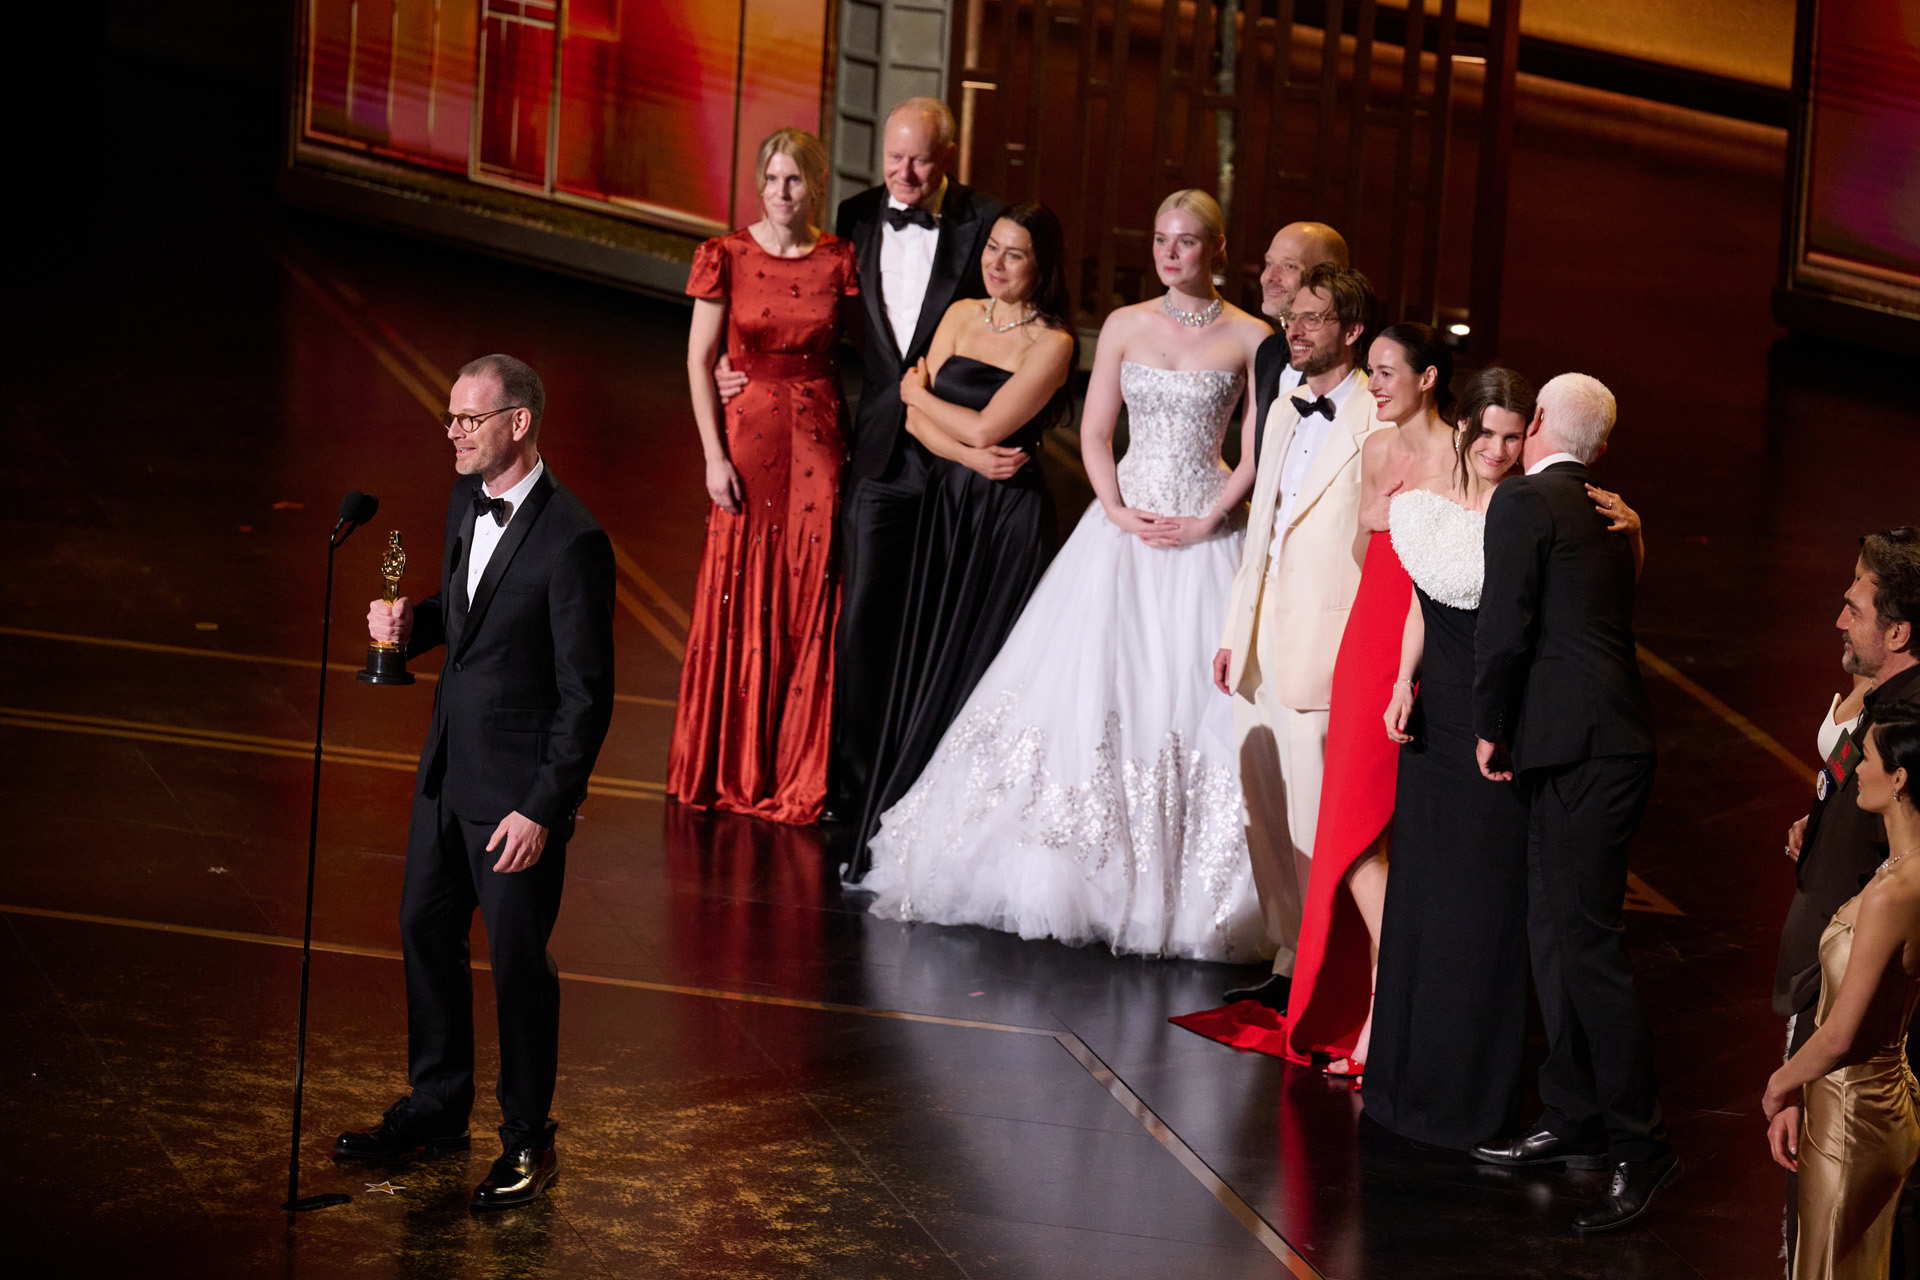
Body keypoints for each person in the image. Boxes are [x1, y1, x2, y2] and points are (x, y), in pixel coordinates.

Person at [861, 190, 1269, 962]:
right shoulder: (1123, 324)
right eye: (1159, 239)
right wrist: (1113, 506)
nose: (1169, 254)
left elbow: (1253, 449)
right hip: (1124, 527)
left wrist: (1214, 514)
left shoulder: (1252, 337)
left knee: (1187, 704)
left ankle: (1191, 893)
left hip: (1203, 530)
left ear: (1217, 248)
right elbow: (1093, 430)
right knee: (1088, 694)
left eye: (1185, 242)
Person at [334, 355, 616, 1211]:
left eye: (469, 419)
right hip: (447, 774)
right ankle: (436, 1106)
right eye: (451, 418)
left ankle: (530, 1140)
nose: (452, 432)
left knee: (519, 966)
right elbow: (467, 618)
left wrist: (544, 806)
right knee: (423, 926)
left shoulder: (574, 540)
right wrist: (408, 623)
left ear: (518, 423)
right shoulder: (466, 500)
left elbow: (587, 697)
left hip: (516, 802)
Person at [1362, 362, 1641, 1145]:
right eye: (1485, 432)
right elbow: (1424, 604)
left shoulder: (1540, 510)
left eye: (1513, 435)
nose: (1496, 446)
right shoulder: (1422, 507)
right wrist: (1400, 680)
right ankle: (1398, 1090)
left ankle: (1473, 1102)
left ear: (1532, 437)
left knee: (1487, 918)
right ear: (1463, 427)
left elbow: (1580, 609)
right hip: (1436, 724)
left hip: (1500, 731)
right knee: (1423, 905)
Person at [1469, 373, 1673, 1233]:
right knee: (1553, 936)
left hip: (1584, 747)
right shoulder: (1606, 512)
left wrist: (1487, 724)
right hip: (1588, 744)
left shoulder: (1526, 503)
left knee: (1586, 946)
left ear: (1541, 422)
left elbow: (1505, 625)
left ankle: (1644, 1143)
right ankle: (1576, 1114)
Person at [847, 202, 1076, 865]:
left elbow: (983, 426)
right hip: (949, 504)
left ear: (1042, 267)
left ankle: (969, 846)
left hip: (1006, 521)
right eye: (992, 249)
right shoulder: (958, 314)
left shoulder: (1053, 342)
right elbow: (920, 426)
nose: (996, 264)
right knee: (924, 661)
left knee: (978, 671)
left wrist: (920, 398)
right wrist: (963, 449)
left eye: (1015, 255)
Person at [825, 98, 1006, 825]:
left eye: (919, 159)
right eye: (893, 157)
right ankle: (852, 794)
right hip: (875, 452)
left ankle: (923, 795)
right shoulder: (856, 213)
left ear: (949, 157)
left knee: (938, 624)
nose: (903, 172)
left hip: (958, 457)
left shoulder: (986, 222)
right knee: (863, 620)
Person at [668, 128, 857, 825]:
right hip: (746, 440)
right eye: (773, 179)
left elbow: (867, 351)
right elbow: (698, 359)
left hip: (819, 440)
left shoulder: (840, 259)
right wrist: (713, 455)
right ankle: (732, 765)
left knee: (812, 595)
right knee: (740, 588)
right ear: (759, 182)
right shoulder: (726, 254)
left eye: (796, 182)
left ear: (816, 188)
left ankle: (795, 769)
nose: (782, 193)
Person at [1209, 261, 1383, 1011]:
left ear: (1351, 331)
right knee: (1268, 806)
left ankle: (1327, 970)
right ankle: (1287, 958)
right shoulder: (1282, 404)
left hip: (1325, 639)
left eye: (1314, 318)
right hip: (1259, 633)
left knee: (1317, 812)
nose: (1295, 329)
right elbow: (1262, 533)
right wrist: (1231, 628)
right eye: (1293, 316)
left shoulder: (1375, 417)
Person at [1776, 528, 1920, 1267]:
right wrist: (1823, 817)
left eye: (1855, 607)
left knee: (1827, 1245)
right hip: (1833, 1013)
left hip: (1844, 1033)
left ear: (1898, 630)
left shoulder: (1903, 726)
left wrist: (1787, 1080)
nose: (1839, 619)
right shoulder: (1887, 701)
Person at [1250, 222, 1349, 466]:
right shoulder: (1269, 352)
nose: (1268, 277)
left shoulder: (1356, 364)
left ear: (1329, 276)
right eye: (1269, 263)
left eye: (1289, 266)